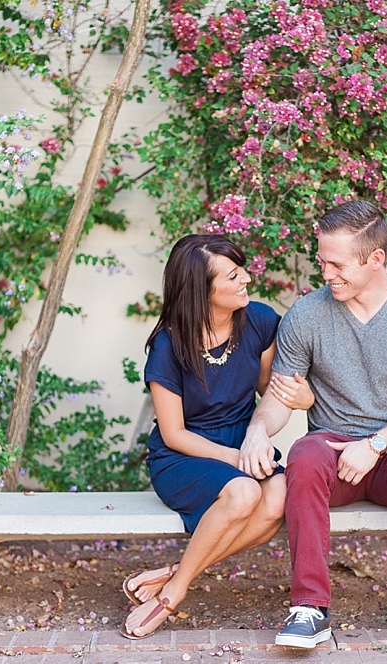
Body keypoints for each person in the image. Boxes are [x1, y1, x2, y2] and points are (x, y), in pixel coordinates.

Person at [238, 200, 387, 660]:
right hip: (332, 452)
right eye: (322, 261)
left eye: (337, 264)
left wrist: (375, 444)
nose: (327, 273)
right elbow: (279, 398)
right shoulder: (306, 315)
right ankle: (309, 608)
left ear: (375, 259)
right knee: (303, 452)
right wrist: (258, 431)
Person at [121, 234, 314, 639]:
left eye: (241, 267)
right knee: (245, 493)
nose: (246, 277)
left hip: (242, 444)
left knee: (280, 496)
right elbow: (173, 434)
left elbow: (270, 395)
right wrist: (234, 458)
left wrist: (303, 397)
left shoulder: (259, 322)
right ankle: (173, 594)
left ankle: (176, 573)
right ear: (201, 290)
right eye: (232, 274)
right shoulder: (168, 345)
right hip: (184, 456)